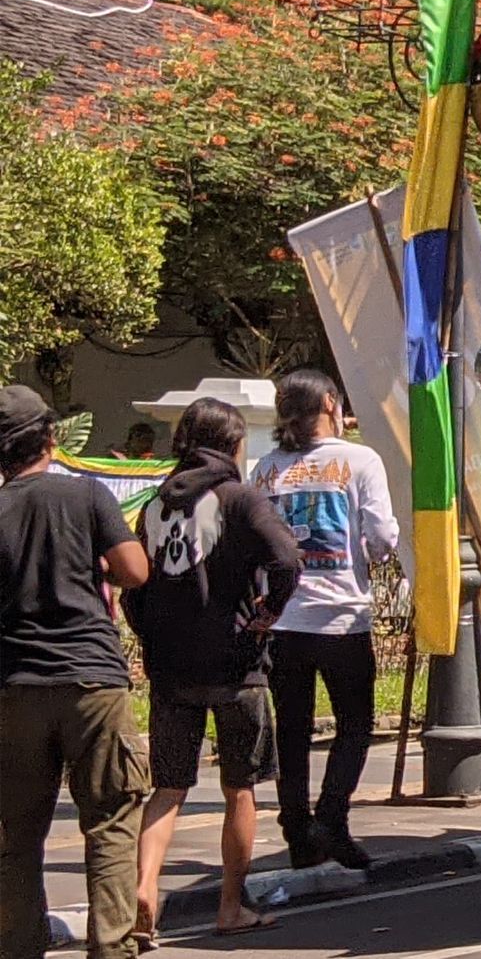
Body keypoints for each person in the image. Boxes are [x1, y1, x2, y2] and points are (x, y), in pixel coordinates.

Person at [125, 398, 300, 940]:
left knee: (169, 787)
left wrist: (149, 631)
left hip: (171, 667)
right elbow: (287, 559)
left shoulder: (154, 506)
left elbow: (133, 583)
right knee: (240, 788)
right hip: (235, 665)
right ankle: (230, 906)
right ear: (231, 444)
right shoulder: (242, 499)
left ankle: (143, 891)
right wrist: (267, 614)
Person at [0, 385, 151, 959]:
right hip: (92, 678)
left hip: (15, 684)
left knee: (17, 832)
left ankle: (18, 945)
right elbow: (134, 570)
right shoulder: (86, 494)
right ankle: (111, 947)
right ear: (51, 438)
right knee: (110, 820)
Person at [252, 371, 398, 869]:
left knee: (292, 728)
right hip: (341, 614)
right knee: (355, 723)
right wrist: (378, 553)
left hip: (284, 618)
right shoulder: (360, 460)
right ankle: (331, 816)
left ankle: (296, 829)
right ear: (331, 403)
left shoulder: (267, 468)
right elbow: (380, 533)